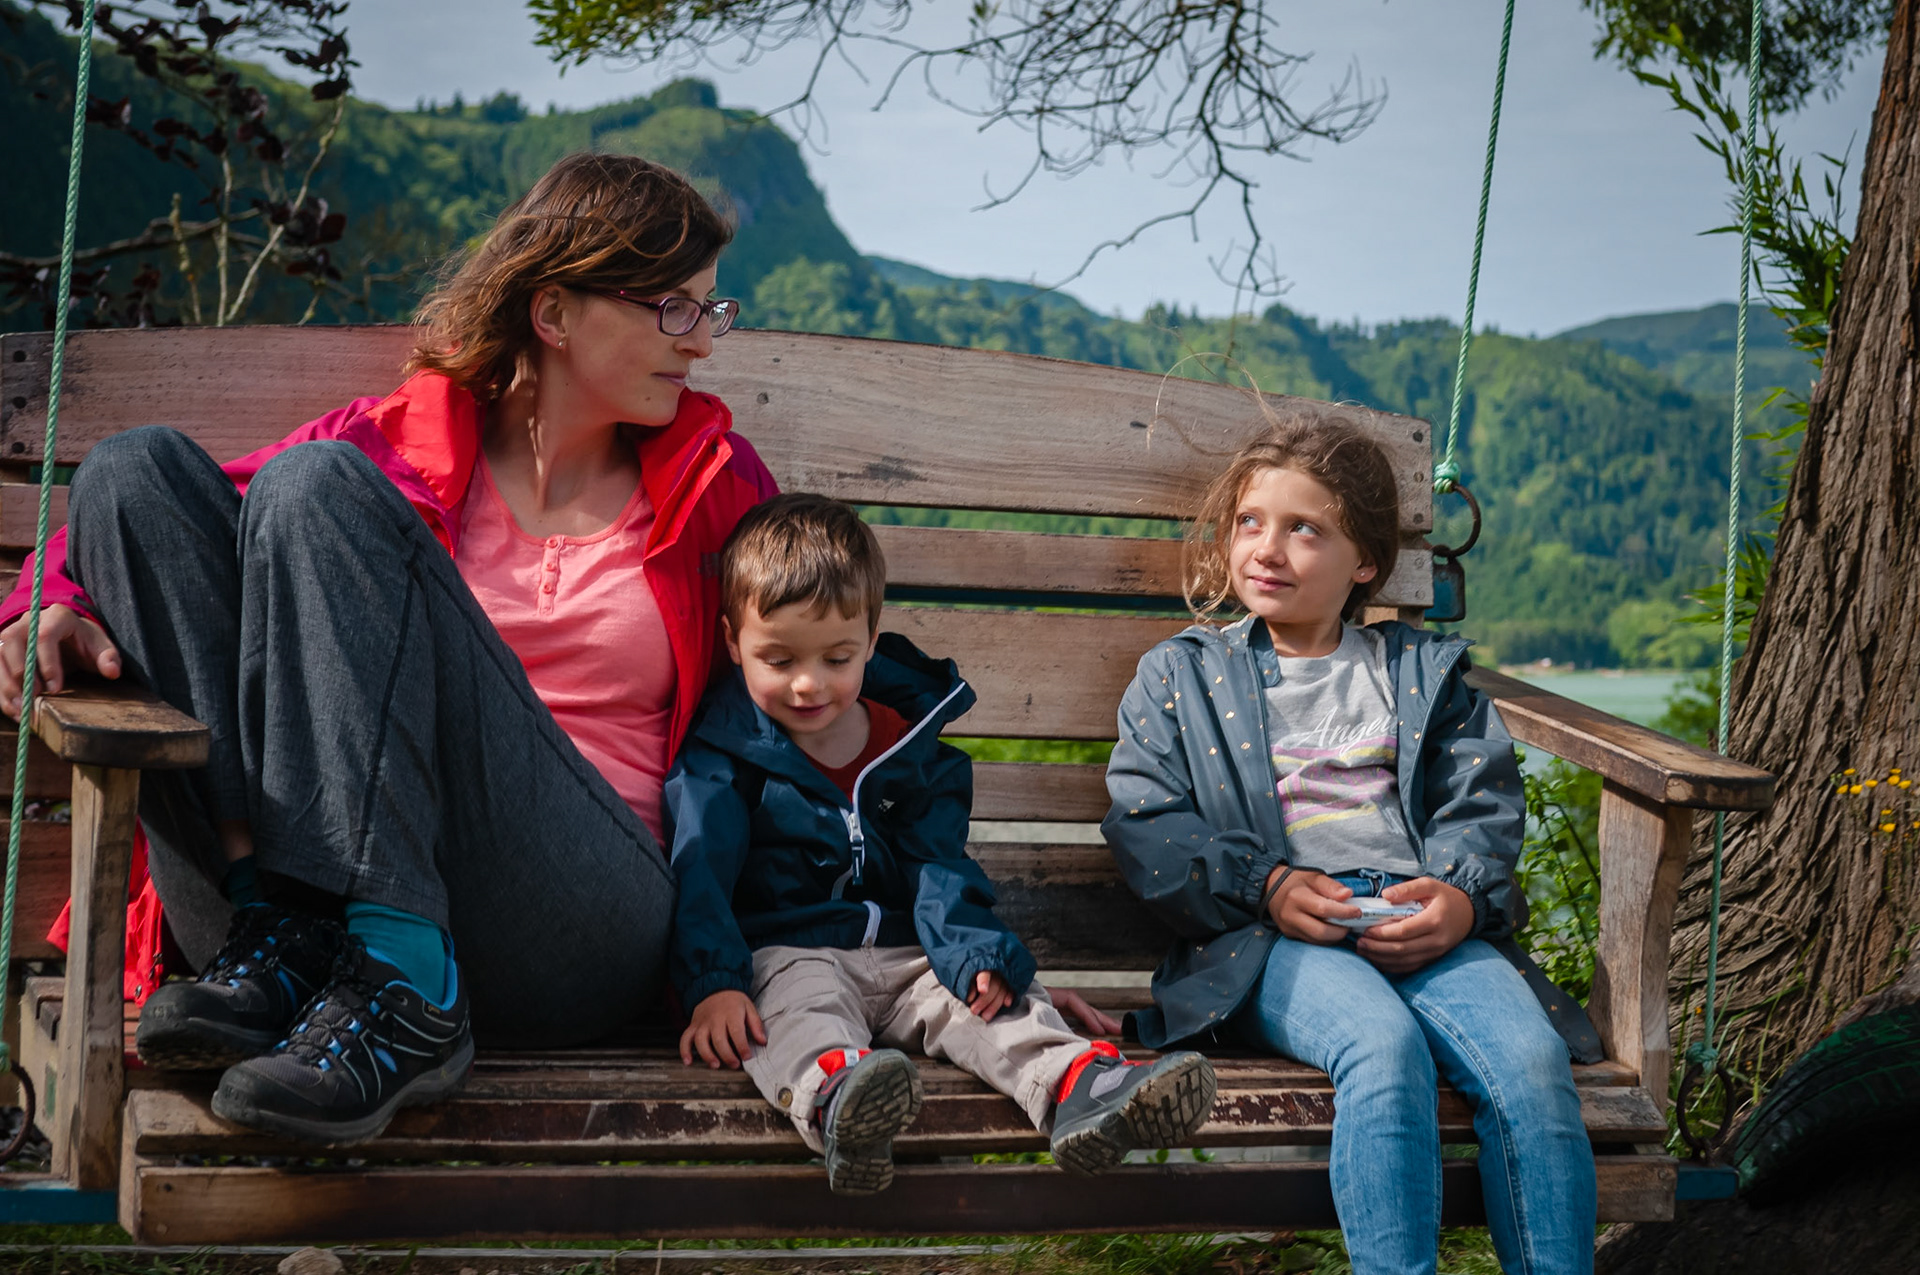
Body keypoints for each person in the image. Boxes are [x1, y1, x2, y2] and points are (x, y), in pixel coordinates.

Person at [0, 153, 777, 1146]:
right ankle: (289, 926)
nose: (702, 344)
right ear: (556, 313)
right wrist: (43, 602)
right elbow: (139, 532)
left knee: (314, 485)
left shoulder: (713, 479)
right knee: (131, 471)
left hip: (576, 922)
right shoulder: (394, 448)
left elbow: (804, 679)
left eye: (713, 311)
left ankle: (406, 978)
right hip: (287, 940)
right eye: (674, 309)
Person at [1102, 422, 1600, 1275]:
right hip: (1270, 939)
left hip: (1417, 914)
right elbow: (1147, 823)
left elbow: (1476, 801)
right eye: (1250, 521)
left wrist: (1461, 899)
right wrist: (1268, 884)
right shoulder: (1181, 675)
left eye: (1306, 529)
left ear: (1364, 561)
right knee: (1382, 1044)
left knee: (1530, 1061)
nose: (1269, 547)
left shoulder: (1419, 670)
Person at [666, 493, 1218, 1195]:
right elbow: (701, 872)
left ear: (870, 640)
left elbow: (939, 865)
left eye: (837, 657)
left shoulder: (908, 744)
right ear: (731, 641)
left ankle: (1079, 1084)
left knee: (986, 997)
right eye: (777, 658)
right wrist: (712, 984)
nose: (809, 683)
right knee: (795, 1009)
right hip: (789, 947)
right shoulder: (723, 756)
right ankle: (839, 1097)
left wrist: (973, 953)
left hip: (908, 950)